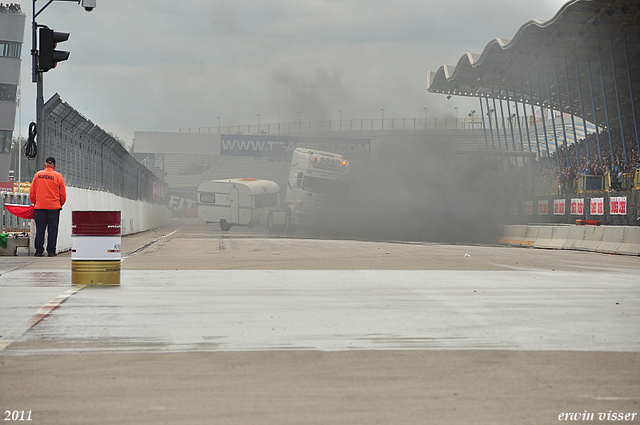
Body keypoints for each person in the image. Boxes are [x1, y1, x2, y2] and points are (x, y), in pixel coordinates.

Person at [29, 157, 67, 256]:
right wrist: (60, 204)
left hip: (40, 207)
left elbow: (32, 192)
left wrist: (35, 203)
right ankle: (51, 251)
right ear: (54, 166)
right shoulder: (58, 176)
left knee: (40, 229)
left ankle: (38, 251)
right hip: (54, 208)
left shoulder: (38, 175)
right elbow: (62, 194)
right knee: (52, 230)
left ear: (45, 165)